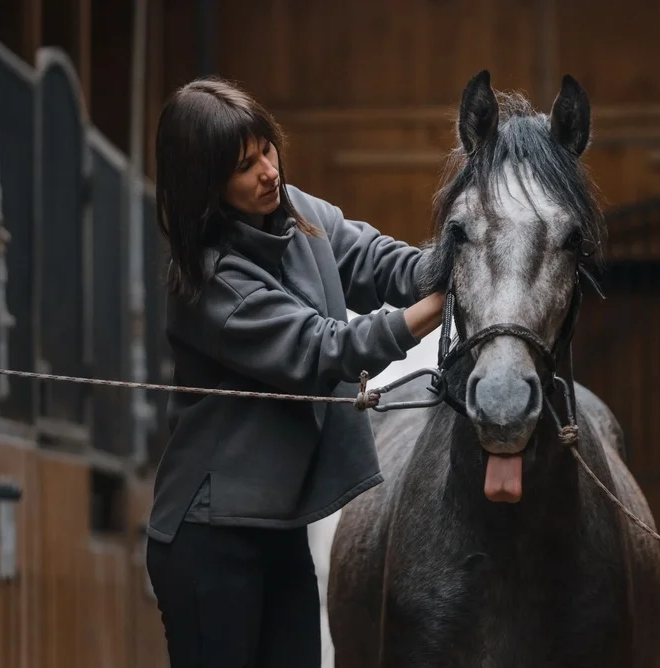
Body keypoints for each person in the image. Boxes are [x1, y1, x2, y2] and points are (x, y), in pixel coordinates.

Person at [145, 76, 446, 668]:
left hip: (280, 525)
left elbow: (377, 260)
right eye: (243, 166)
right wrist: (435, 308)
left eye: (267, 149)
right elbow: (321, 351)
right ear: (204, 185)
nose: (268, 171)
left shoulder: (298, 212)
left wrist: (461, 259)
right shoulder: (210, 282)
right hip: (210, 536)